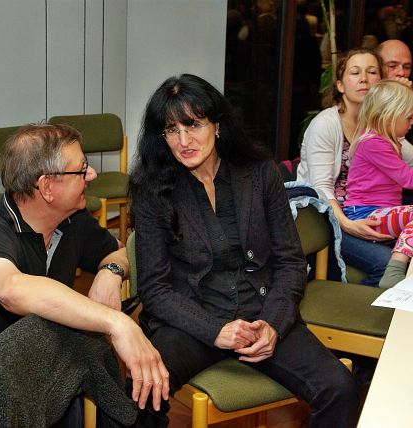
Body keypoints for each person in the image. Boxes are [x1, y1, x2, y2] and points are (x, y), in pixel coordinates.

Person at [129, 74, 358, 427]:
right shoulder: (153, 189)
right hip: (191, 319)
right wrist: (215, 330)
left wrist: (273, 325)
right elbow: (155, 290)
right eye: (172, 130)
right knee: (140, 393)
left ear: (217, 125)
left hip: (260, 312)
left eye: (194, 125)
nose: (184, 141)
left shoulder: (260, 173)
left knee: (339, 388)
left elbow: (290, 262)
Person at [0, 124, 169, 427]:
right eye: (81, 169)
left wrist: (110, 272)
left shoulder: (72, 220)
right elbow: (10, 288)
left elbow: (119, 252)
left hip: (22, 372)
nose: (92, 175)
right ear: (46, 187)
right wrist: (117, 323)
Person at [297, 48, 403, 286]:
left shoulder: (380, 126)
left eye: (372, 72)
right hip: (329, 220)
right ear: (340, 85)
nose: (364, 79)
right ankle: (355, 308)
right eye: (355, 73)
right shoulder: (325, 124)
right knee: (389, 265)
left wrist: (402, 102)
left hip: (369, 214)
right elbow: (321, 188)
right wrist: (348, 224)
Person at [344, 80, 413, 288]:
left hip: (381, 212)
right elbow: (408, 178)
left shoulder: (389, 142)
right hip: (365, 214)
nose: (412, 122)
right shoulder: (373, 143)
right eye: (408, 117)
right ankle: (394, 271)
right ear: (390, 116)